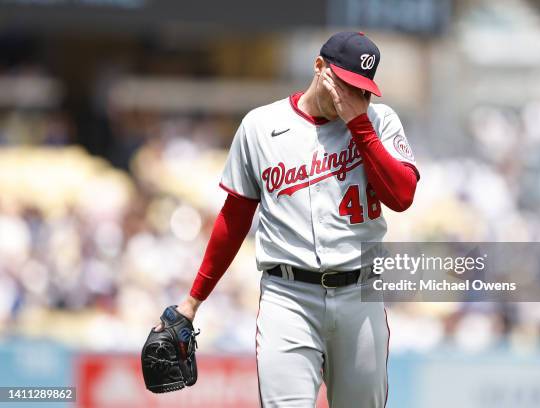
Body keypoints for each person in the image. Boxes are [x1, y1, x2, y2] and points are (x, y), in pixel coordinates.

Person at [157, 31, 419, 407]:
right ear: (319, 68)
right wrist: (193, 301)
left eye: (362, 89)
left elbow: (402, 196)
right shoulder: (261, 126)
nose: (352, 97)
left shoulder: (379, 121)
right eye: (344, 84)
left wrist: (360, 127)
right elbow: (234, 217)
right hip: (289, 297)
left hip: (360, 295)